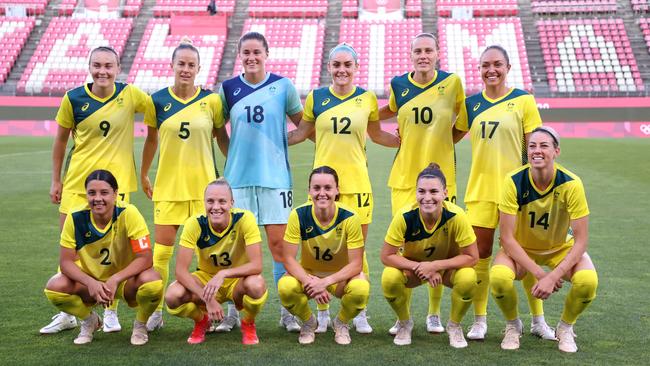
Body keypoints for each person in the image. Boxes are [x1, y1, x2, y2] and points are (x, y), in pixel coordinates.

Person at [288, 43, 400, 334]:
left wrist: (409, 140)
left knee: (356, 253)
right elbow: (302, 133)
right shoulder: (316, 97)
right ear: (328, 68)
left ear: (356, 68)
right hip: (322, 187)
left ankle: (357, 311)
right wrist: (269, 139)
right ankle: (322, 311)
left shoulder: (366, 99)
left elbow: (377, 135)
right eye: (336, 65)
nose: (341, 70)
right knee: (317, 252)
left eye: (347, 65)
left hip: (357, 186)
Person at [44, 46, 150, 334]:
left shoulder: (130, 95)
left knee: (115, 252)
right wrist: (57, 179)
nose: (102, 71)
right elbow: (60, 142)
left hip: (116, 189)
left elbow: (159, 111)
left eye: (108, 66)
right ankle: (70, 313)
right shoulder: (73, 98)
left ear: (118, 68)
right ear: (89, 66)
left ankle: (111, 309)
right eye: (97, 65)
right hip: (78, 186)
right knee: (70, 251)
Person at [453, 45, 553, 341]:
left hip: (518, 194)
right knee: (480, 256)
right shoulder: (471, 105)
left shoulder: (523, 101)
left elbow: (536, 147)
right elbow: (450, 137)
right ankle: (480, 320)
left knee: (524, 256)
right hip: (480, 191)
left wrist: (537, 188)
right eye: (485, 65)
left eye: (497, 64)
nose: (491, 70)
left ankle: (538, 320)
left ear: (508, 67)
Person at [379, 33, 466, 335]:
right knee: (405, 247)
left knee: (440, 248)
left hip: (442, 179)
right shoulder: (398, 85)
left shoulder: (453, 83)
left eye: (428, 50)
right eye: (418, 51)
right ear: (411, 54)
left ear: (438, 54)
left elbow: (462, 124)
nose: (423, 55)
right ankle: (403, 316)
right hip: (405, 177)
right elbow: (386, 111)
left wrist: (443, 143)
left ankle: (433, 314)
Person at [218, 31, 303, 333]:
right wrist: (234, 155)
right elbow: (219, 129)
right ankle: (231, 310)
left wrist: (281, 142)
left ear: (267, 53)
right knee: (236, 248)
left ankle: (287, 310)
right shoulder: (227, 88)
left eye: (257, 52)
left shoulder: (283, 86)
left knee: (280, 246)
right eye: (246, 52)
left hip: (275, 179)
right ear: (239, 55)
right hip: (238, 182)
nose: (252, 57)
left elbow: (303, 125)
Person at [140, 38, 228, 332]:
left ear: (199, 68)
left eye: (192, 64)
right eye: (182, 63)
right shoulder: (157, 101)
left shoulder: (212, 101)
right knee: (161, 255)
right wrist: (143, 174)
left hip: (205, 192)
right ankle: (154, 311)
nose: (186, 69)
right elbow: (151, 140)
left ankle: (217, 310)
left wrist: (234, 170)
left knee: (208, 255)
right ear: (172, 65)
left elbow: (221, 138)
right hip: (169, 188)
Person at [490, 127, 598, 352]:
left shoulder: (571, 183)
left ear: (556, 151)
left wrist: (554, 276)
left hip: (558, 248)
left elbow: (581, 241)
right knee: (499, 278)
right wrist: (540, 275)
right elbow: (507, 239)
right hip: (520, 249)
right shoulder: (513, 181)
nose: (537, 151)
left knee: (588, 282)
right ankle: (513, 325)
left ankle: (565, 327)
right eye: (532, 146)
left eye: (543, 146)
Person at [43, 170, 163, 345]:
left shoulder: (128, 213)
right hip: (90, 283)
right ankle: (89, 321)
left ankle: (140, 325)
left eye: (104, 193)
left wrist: (115, 279)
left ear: (115, 194)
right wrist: (90, 282)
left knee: (153, 283)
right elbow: (66, 262)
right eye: (92, 193)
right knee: (55, 287)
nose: (97, 198)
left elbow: (145, 258)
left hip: (123, 283)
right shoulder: (75, 217)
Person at [381, 163, 478, 347]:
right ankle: (404, 323)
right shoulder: (404, 216)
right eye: (421, 191)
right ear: (416, 193)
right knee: (389, 278)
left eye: (434, 191)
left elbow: (472, 257)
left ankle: (454, 326)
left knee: (468, 278)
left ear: (445, 193)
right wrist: (420, 267)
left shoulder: (456, 216)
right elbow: (386, 256)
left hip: (445, 271)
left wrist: (434, 266)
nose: (427, 197)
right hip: (414, 271)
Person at [164, 179, 267, 345]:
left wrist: (223, 273)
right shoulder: (195, 223)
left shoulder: (244, 219)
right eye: (210, 201)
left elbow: (257, 265)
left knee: (257, 284)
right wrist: (208, 300)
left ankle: (248, 322)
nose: (216, 207)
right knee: (172, 295)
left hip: (237, 282)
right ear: (204, 202)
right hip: (206, 280)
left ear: (231, 203)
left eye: (222, 201)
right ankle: (202, 321)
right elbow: (181, 271)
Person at [278, 166, 370, 345]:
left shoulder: (350, 218)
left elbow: (356, 264)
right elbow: (288, 258)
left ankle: (341, 323)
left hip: (339, 278)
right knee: (285, 287)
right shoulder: (298, 215)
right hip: (310, 276)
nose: (322, 193)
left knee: (361, 289)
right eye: (316, 188)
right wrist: (309, 281)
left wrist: (325, 283)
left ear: (337, 191)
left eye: (328, 188)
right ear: (309, 191)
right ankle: (308, 322)